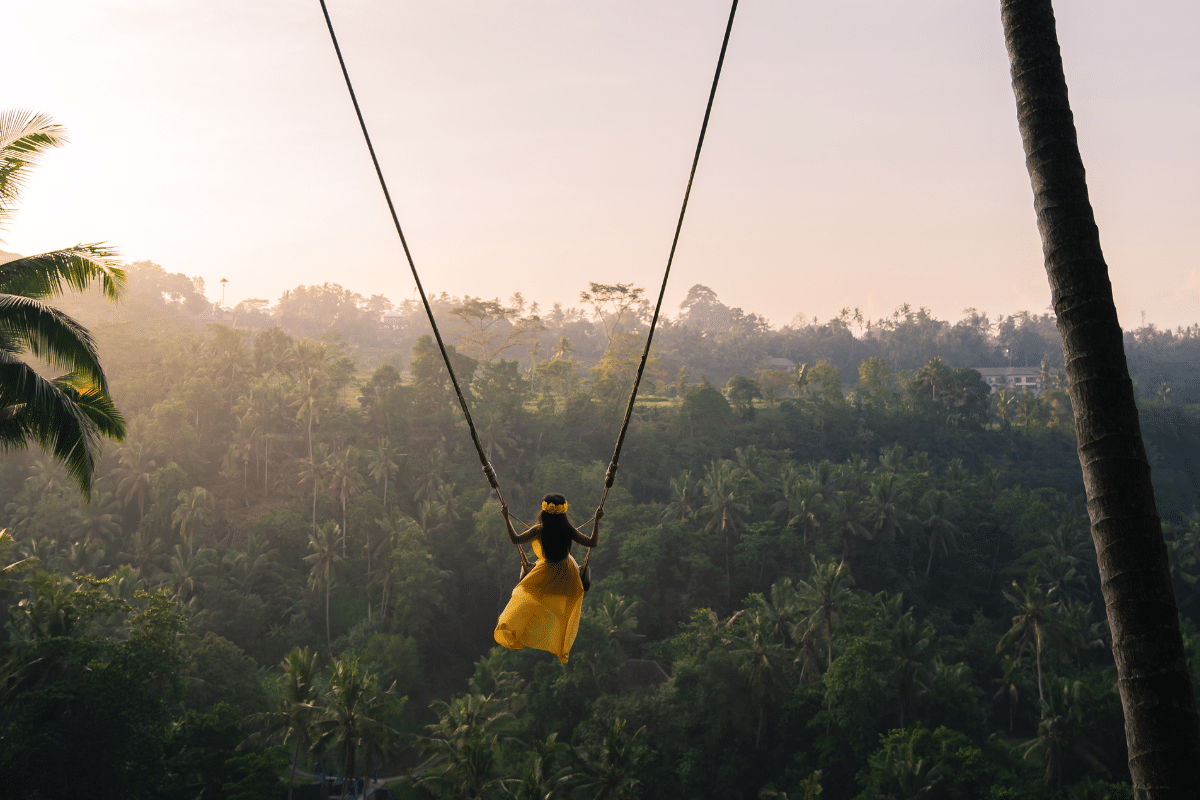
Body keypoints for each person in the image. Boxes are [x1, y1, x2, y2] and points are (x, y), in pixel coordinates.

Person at [493, 493, 602, 663]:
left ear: (544, 511)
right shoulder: (568, 529)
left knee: (523, 589)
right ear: (564, 512)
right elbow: (592, 543)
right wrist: (596, 521)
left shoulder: (539, 530)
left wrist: (506, 518)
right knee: (576, 577)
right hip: (567, 577)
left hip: (545, 574)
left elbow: (515, 539)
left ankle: (521, 628)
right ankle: (557, 637)